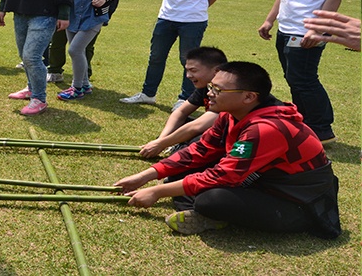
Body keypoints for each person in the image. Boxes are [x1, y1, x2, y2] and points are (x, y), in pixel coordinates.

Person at [115, 61, 341, 239]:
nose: (209, 93)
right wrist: (146, 175)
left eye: (218, 89)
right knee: (180, 171)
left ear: (249, 97)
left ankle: (212, 215)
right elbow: (199, 151)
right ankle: (211, 213)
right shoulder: (230, 115)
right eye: (211, 86)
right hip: (259, 180)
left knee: (211, 200)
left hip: (297, 201)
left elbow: (223, 175)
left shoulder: (267, 128)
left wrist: (156, 192)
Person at [257, 0, 351, 144]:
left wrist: (318, 31)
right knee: (294, 78)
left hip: (307, 30)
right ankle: (304, 122)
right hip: (287, 28)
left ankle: (321, 130)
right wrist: (270, 20)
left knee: (305, 80)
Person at [138, 47, 226, 158]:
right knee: (182, 125)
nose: (188, 75)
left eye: (193, 71)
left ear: (216, 71)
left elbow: (198, 126)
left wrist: (161, 144)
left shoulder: (228, 92)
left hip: (231, 136)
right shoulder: (206, 86)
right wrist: (161, 139)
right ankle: (180, 146)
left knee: (197, 140)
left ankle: (181, 149)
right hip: (213, 128)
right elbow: (181, 112)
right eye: (187, 70)